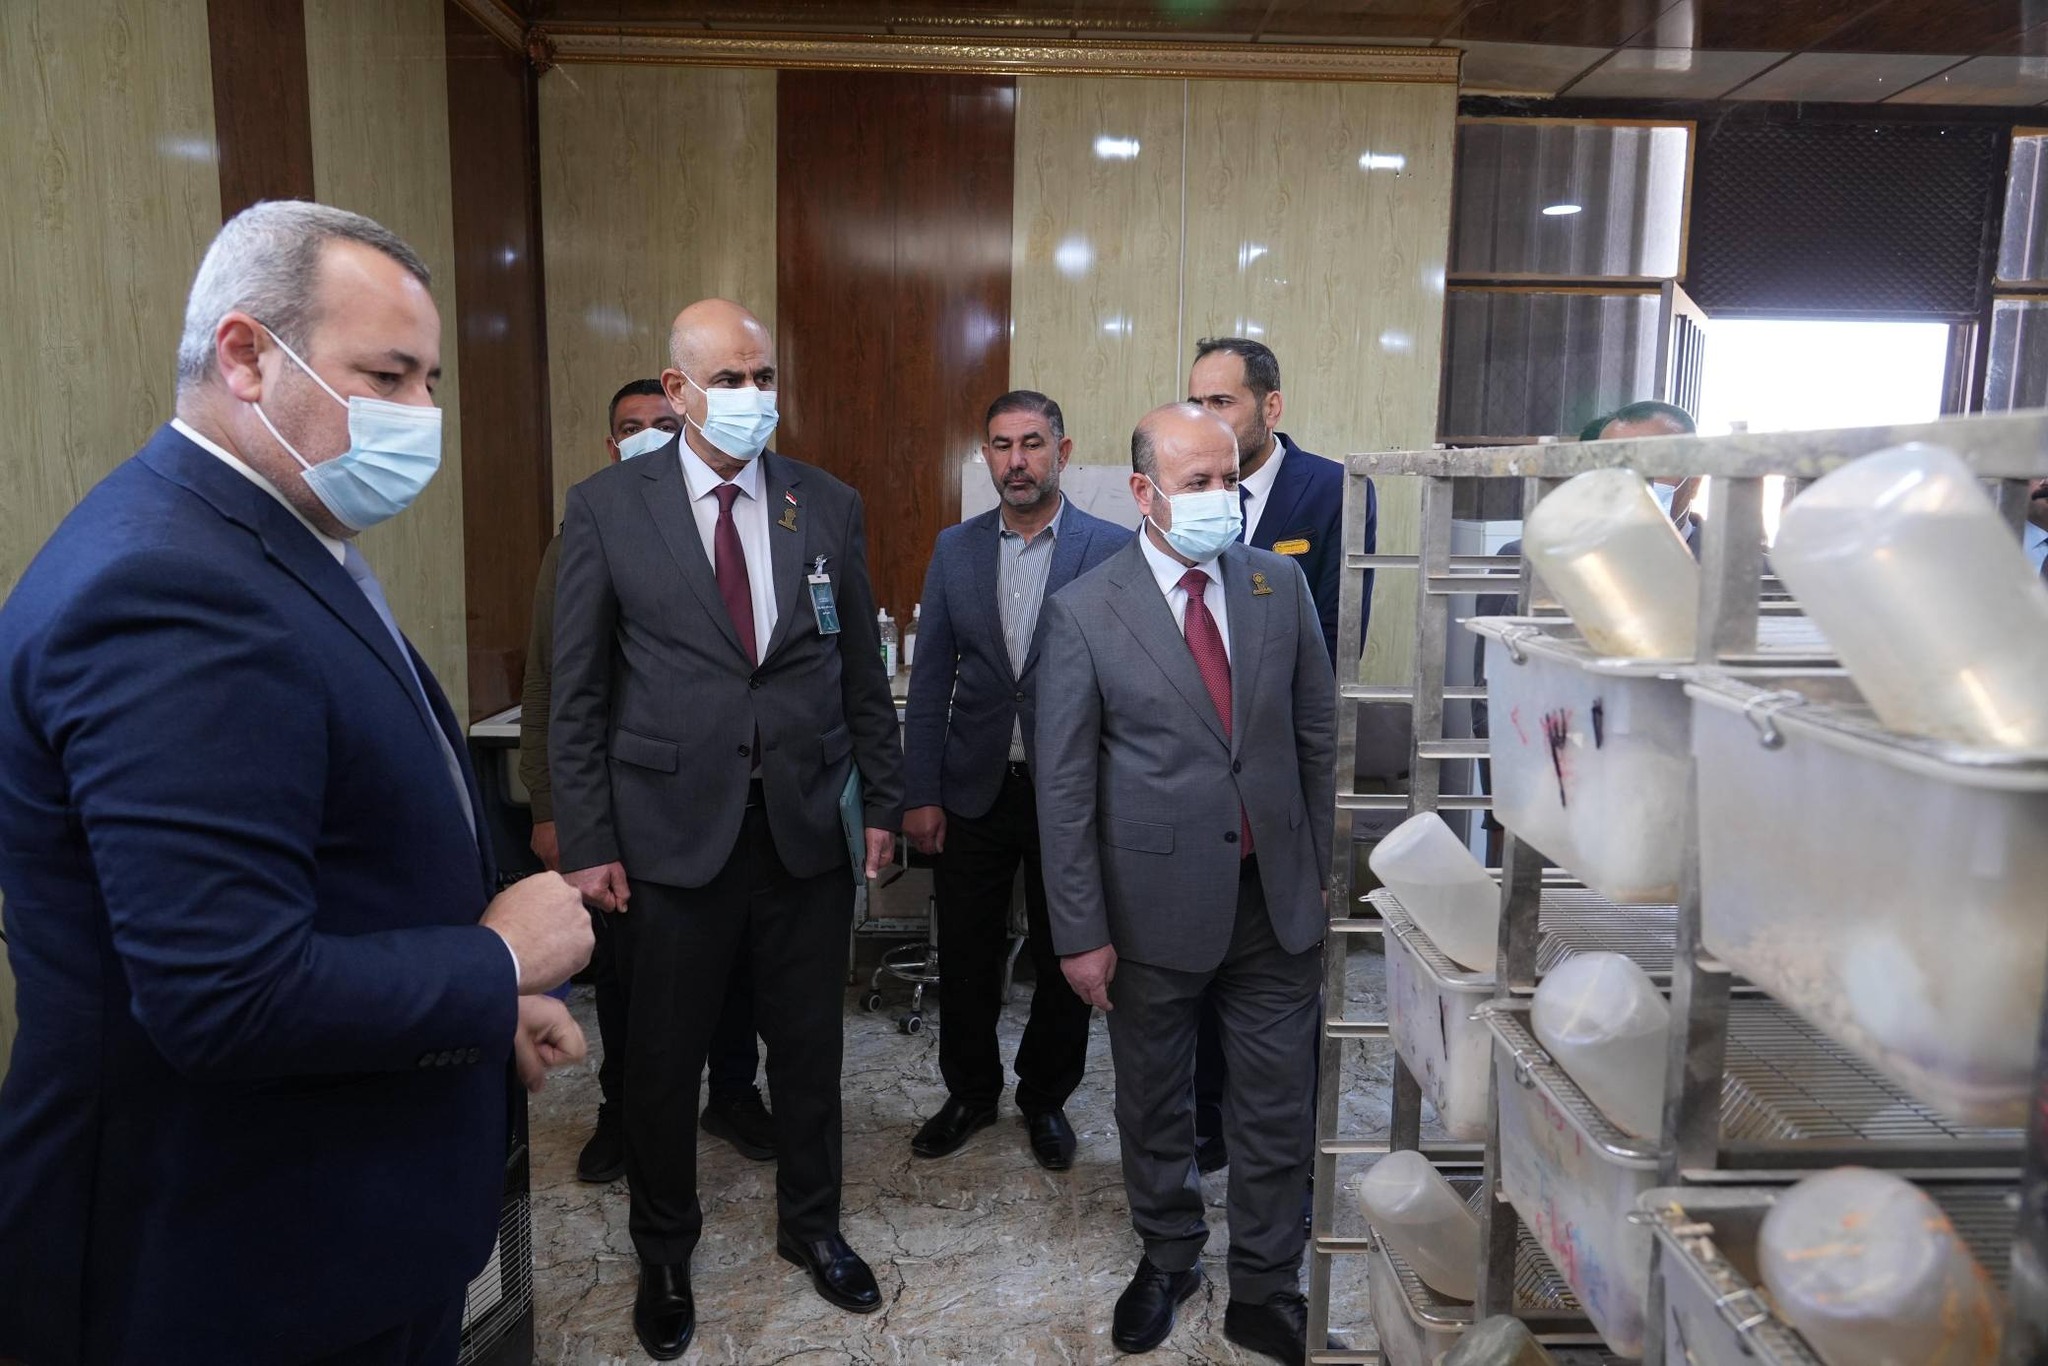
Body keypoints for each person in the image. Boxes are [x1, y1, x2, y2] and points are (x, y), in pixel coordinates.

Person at [0, 200, 594, 1365]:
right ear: (245, 357)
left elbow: (336, 871)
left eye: (429, 381)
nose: (421, 415)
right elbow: (226, 992)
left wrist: (477, 1011)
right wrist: (494, 960)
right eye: (386, 375)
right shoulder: (171, 589)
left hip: (334, 1217)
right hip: (236, 1263)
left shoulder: (270, 541)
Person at [549, 298, 904, 1360]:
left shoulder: (822, 503)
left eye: (763, 376)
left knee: (809, 1050)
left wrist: (882, 804)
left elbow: (859, 671)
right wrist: (587, 840)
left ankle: (813, 1226)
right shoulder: (607, 508)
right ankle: (664, 1248)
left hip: (802, 831)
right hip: (666, 836)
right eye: (731, 379)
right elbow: (577, 692)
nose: (755, 396)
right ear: (678, 391)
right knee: (660, 1061)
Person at [1036, 403, 1337, 1364]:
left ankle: (1266, 1284)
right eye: (1197, 483)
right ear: (1144, 491)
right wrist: (1080, 931)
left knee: (1276, 1105)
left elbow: (1315, 740)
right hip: (1149, 909)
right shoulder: (1086, 609)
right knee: (1155, 1100)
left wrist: (1317, 874)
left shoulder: (1278, 586)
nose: (1221, 499)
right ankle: (1169, 1258)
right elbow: (1063, 788)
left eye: (1229, 480)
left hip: (1271, 900)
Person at [518, 379, 773, 1185]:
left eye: (662, 424)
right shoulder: (586, 531)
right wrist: (555, 810)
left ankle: (733, 1094)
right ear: (611, 445)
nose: (648, 437)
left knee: (735, 968)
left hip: (724, 801)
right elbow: (550, 685)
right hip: (627, 810)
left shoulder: (736, 518)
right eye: (631, 427)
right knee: (632, 981)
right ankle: (622, 1111)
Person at [900, 391, 1131, 1170]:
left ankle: (1044, 1098)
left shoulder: (1111, 548)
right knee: (966, 952)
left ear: (1062, 452)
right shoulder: (955, 549)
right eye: (1002, 446)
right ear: (987, 457)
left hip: (1073, 794)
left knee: (1069, 950)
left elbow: (1125, 681)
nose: (1017, 461)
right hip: (973, 788)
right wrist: (920, 792)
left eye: (1032, 443)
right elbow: (931, 681)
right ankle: (970, 1092)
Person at [1185, 338, 1367, 1171]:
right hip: (1196, 786)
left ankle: (1275, 1151)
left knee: (1278, 979)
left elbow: (1330, 638)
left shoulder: (1328, 491)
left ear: (1271, 406)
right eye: (1196, 402)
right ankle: (1205, 1123)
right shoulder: (1183, 489)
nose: (1207, 418)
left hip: (1280, 775)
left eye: (1222, 402)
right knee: (1198, 966)